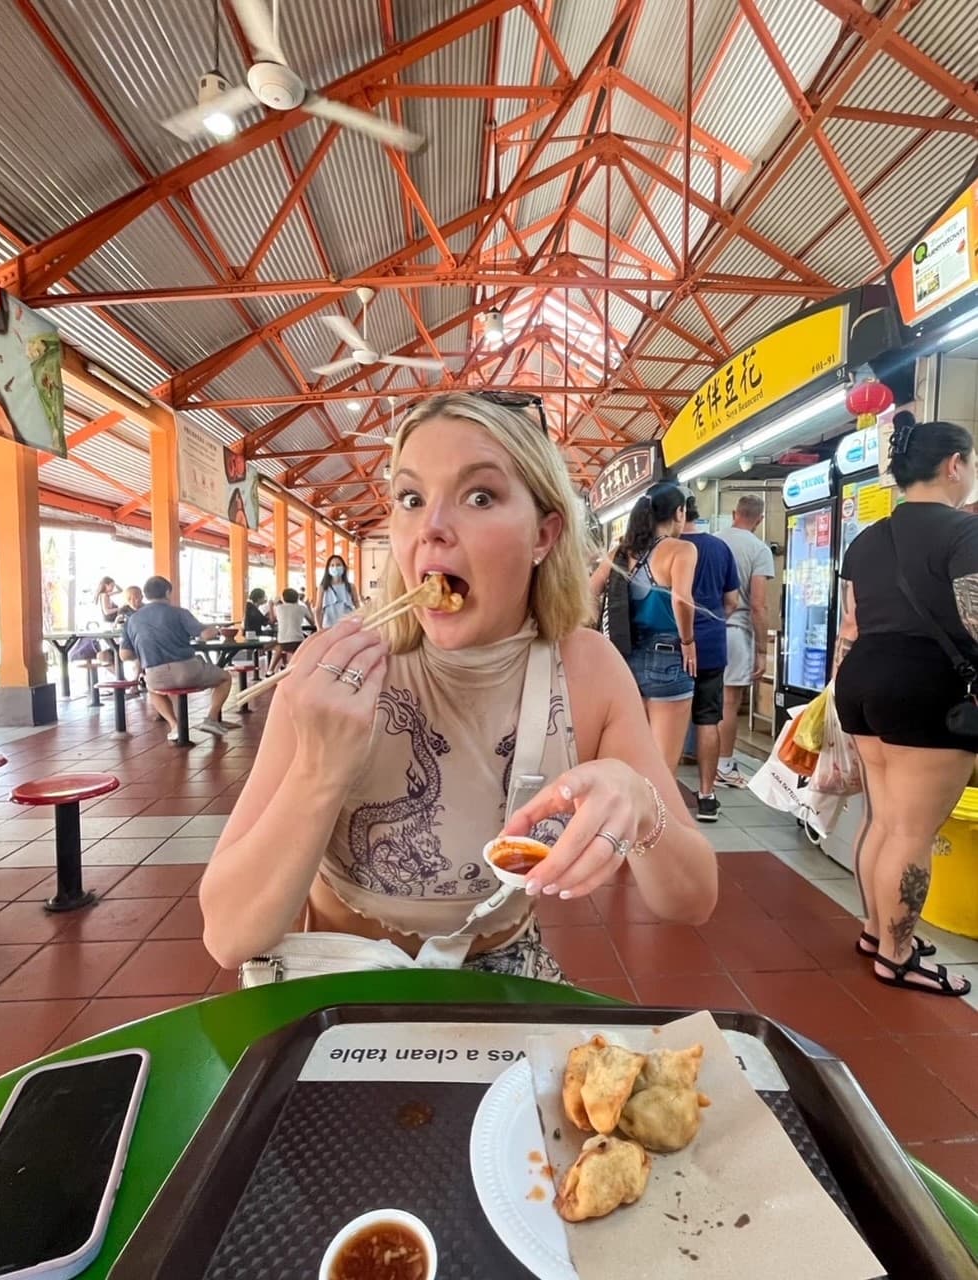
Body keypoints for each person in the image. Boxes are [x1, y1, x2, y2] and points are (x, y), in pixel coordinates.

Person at [200, 392, 716, 976]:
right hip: (336, 979)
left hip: (503, 974)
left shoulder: (589, 670)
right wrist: (318, 770)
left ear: (544, 536)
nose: (433, 528)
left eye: (480, 496)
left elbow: (692, 900)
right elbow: (228, 936)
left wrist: (642, 805)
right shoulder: (340, 669)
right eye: (411, 498)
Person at [834, 411, 978, 998]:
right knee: (913, 832)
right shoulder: (964, 532)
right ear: (953, 465)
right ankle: (896, 956)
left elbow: (851, 622)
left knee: (884, 820)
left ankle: (875, 931)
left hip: (862, 680)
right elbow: (975, 618)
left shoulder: (867, 537)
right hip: (926, 687)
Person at [590, 483, 698, 775]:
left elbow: (589, 593)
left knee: (631, 759)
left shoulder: (620, 552)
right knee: (662, 765)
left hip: (623, 658)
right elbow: (682, 600)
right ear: (679, 512)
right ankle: (657, 818)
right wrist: (688, 642)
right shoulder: (682, 549)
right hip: (667, 658)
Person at [682, 495, 740, 821]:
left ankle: (662, 798)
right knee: (707, 718)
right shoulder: (719, 549)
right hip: (712, 645)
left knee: (667, 719)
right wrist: (714, 619)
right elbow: (731, 600)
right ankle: (707, 796)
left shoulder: (666, 547)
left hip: (673, 644)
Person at [120, 576, 234, 741]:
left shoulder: (131, 620)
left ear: (145, 595)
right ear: (167, 592)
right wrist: (215, 629)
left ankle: (175, 726)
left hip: (155, 675)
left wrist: (145, 647)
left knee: (153, 690)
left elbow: (124, 655)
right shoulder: (179, 613)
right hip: (187, 671)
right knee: (225, 678)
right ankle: (211, 718)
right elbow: (205, 635)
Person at [715, 495, 774, 788]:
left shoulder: (712, 542)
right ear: (760, 519)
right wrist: (762, 650)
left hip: (703, 631)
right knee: (728, 702)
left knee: (702, 699)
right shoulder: (759, 550)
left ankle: (700, 758)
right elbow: (759, 605)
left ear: (734, 513)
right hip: (736, 632)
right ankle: (724, 764)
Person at [267, 588, 314, 675]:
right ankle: (298, 668)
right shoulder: (302, 608)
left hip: (282, 641)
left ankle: (270, 670)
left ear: (283, 598)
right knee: (303, 647)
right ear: (297, 598)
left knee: (278, 647)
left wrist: (270, 606)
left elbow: (272, 620)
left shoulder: (279, 608)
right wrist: (308, 607)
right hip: (298, 640)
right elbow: (313, 622)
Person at [315, 555, 359, 629]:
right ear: (328, 569)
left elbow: (357, 604)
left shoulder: (351, 586)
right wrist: (319, 627)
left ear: (344, 567)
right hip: (329, 626)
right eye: (332, 565)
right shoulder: (323, 587)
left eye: (338, 565)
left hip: (348, 626)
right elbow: (318, 609)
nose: (335, 567)